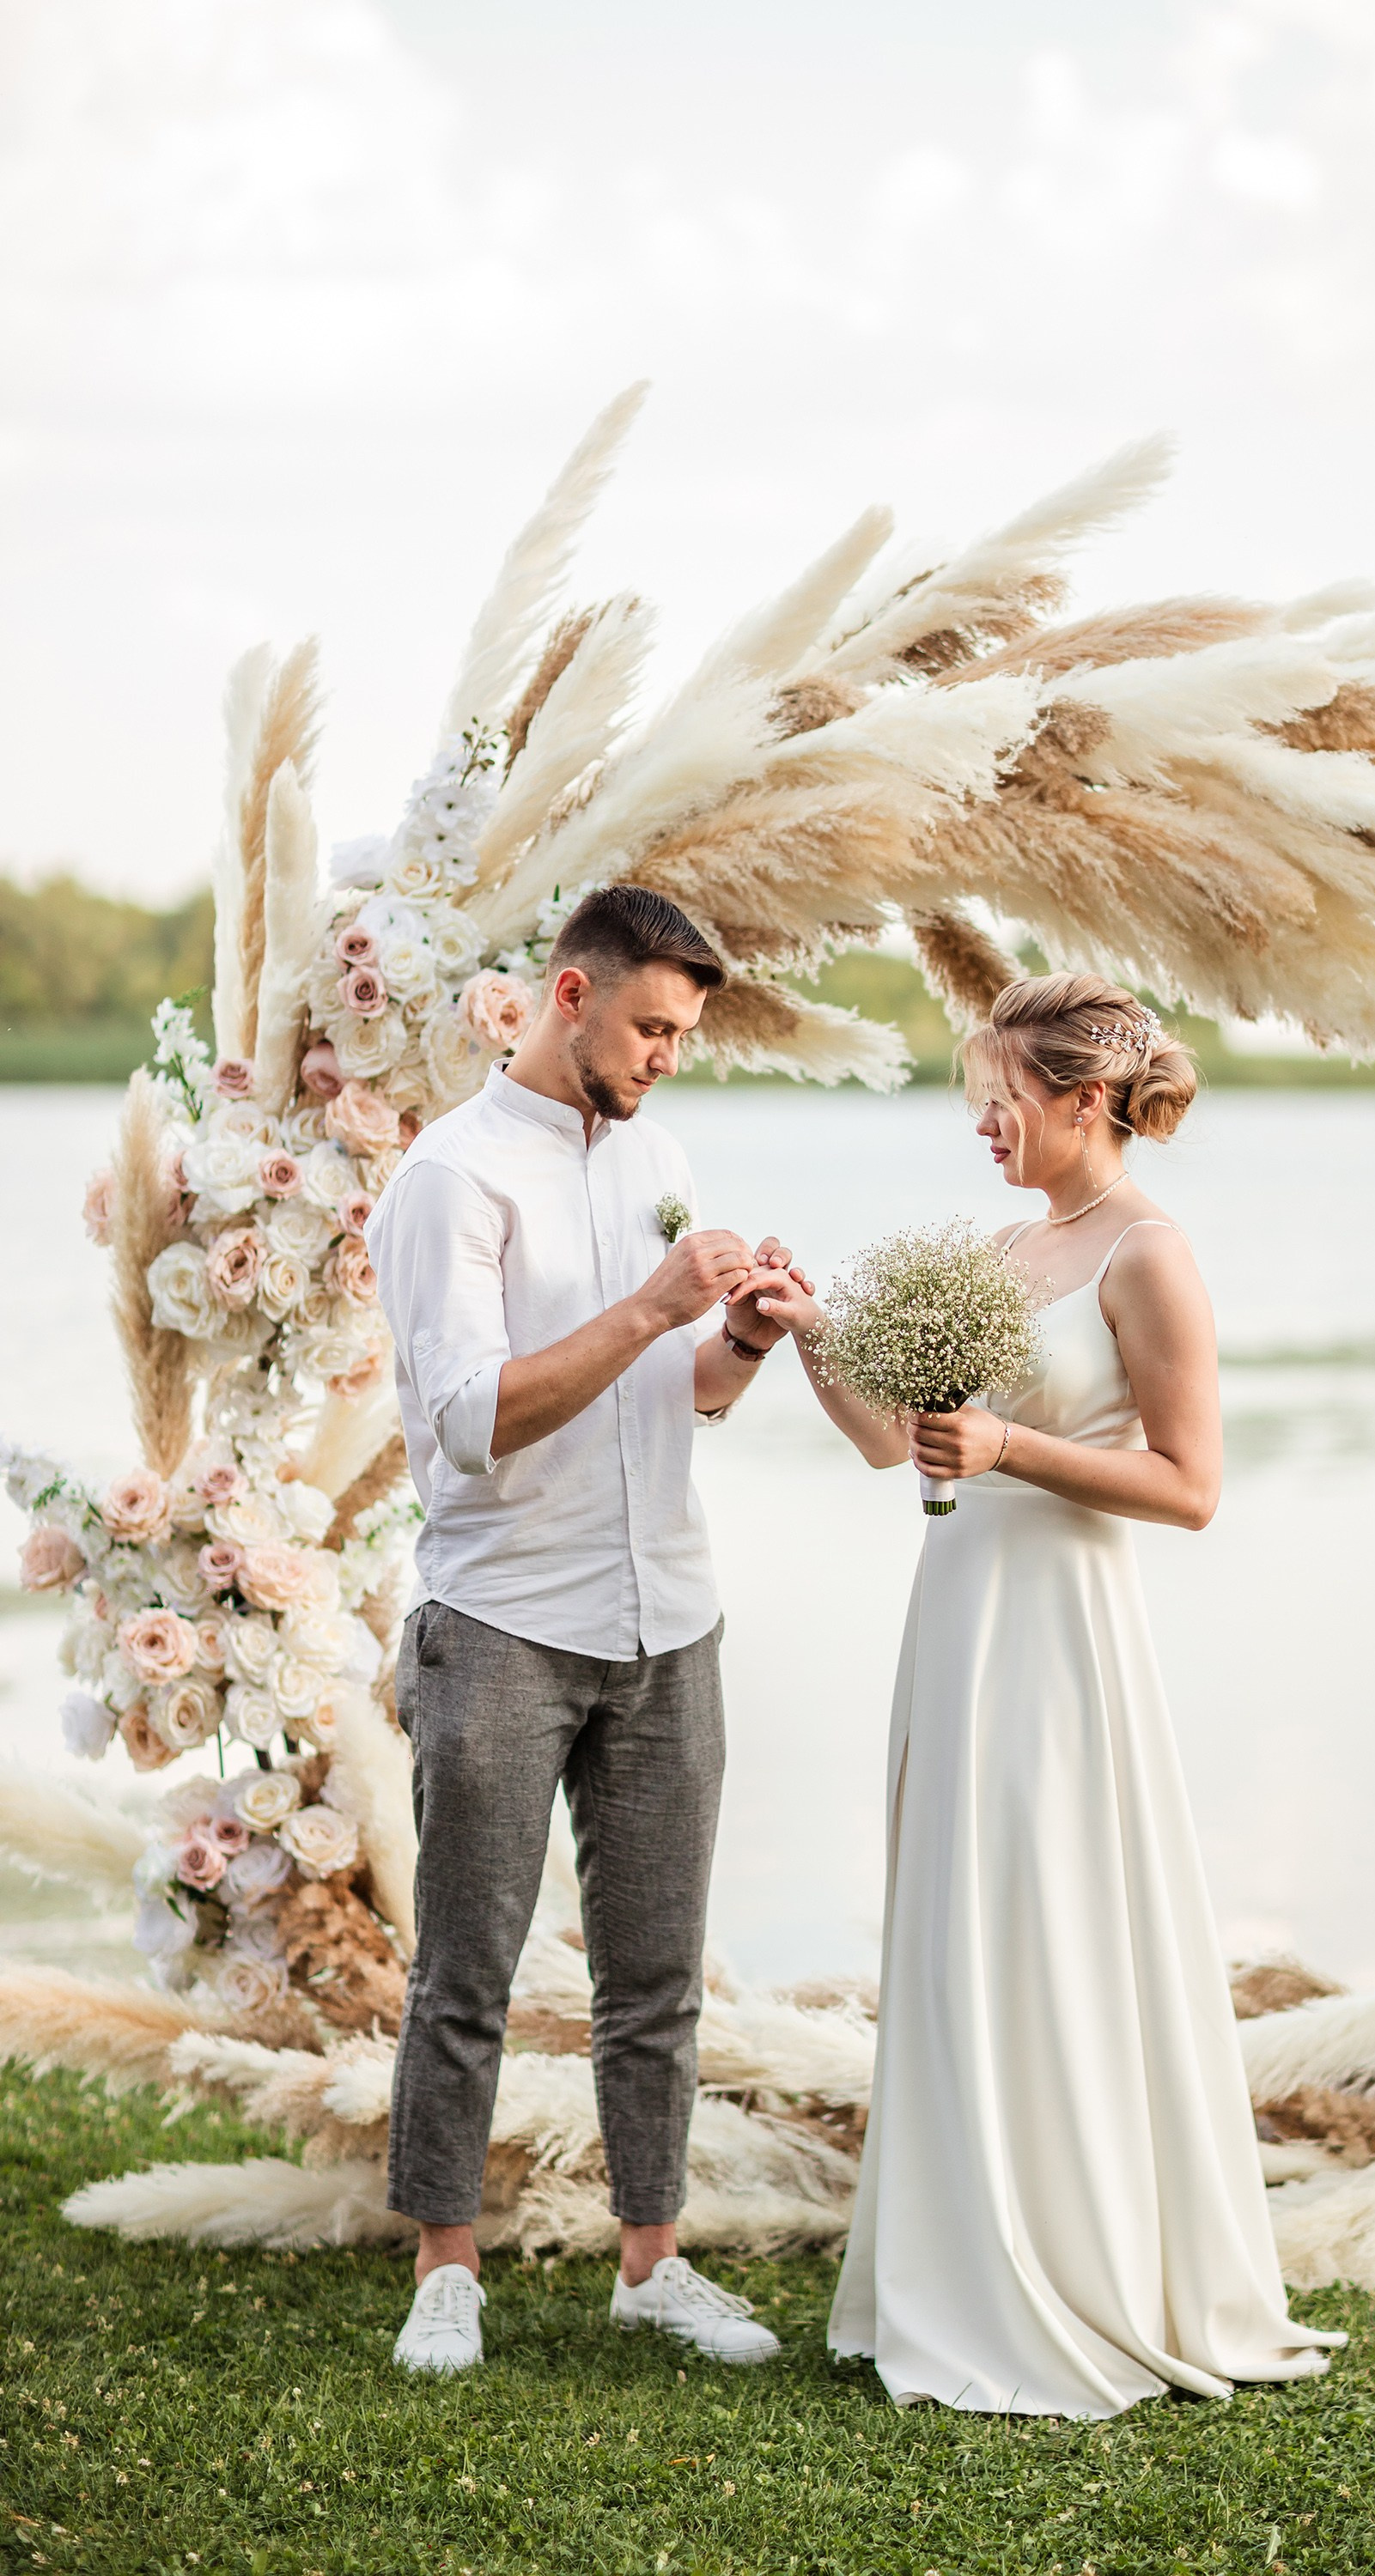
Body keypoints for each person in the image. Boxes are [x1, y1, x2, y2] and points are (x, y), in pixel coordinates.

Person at [755, 971, 1343, 2416]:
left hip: (1063, 1627)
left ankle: (1083, 2269)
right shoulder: (1017, 1246)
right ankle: (960, 2257)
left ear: (1086, 1100)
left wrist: (1013, 1449)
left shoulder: (1149, 1253)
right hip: (957, 1613)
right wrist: (814, 1330)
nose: (983, 1126)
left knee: (1056, 1916)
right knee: (959, 1919)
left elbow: (1191, 1487)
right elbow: (903, 1448)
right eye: (977, 1104)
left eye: (1003, 1102)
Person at [368, 884, 806, 2376]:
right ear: (569, 997)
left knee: (657, 1972)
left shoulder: (662, 1154)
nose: (667, 1057)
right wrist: (648, 1305)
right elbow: (469, 1423)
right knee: (467, 1966)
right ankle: (444, 2269)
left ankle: (651, 2264)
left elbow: (674, 1396)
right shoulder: (451, 1178)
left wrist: (735, 1338)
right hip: (501, 1619)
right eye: (650, 1027)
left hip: (670, 1614)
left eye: (685, 1035)